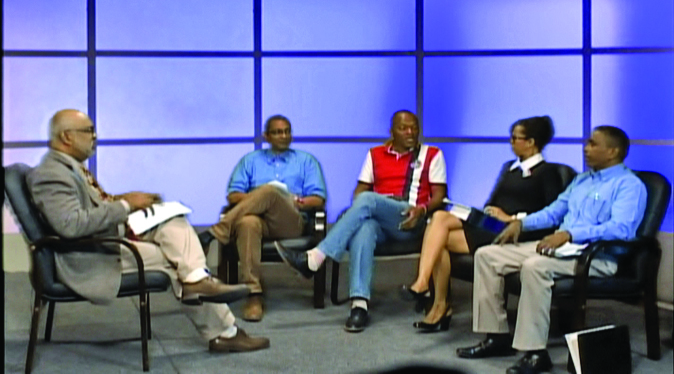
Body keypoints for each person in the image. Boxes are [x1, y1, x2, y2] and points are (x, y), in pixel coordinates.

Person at [27, 109, 270, 354]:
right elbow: (71, 225)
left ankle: (198, 279)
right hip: (88, 257)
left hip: (104, 240)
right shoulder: (52, 174)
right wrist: (126, 205)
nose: (95, 136)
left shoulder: (69, 168)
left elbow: (91, 207)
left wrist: (131, 200)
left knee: (173, 222)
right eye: (89, 130)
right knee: (175, 260)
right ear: (67, 137)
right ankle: (221, 326)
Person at [456, 126, 647, 374]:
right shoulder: (582, 180)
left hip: (596, 257)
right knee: (487, 255)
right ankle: (497, 338)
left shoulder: (629, 185)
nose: (585, 148)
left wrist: (570, 234)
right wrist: (520, 223)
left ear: (612, 151)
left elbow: (621, 229)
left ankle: (535, 352)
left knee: (535, 266)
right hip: (561, 250)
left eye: (592, 143)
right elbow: (554, 212)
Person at [275, 110, 448, 332]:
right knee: (364, 226)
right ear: (391, 131)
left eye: (414, 128)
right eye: (404, 128)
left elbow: (439, 195)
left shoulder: (432, 154)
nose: (410, 132)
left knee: (367, 200)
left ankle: (316, 257)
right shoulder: (375, 154)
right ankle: (359, 305)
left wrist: (422, 210)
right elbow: (360, 191)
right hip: (378, 217)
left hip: (411, 217)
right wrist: (364, 206)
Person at [399, 116, 565, 331]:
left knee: (438, 229)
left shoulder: (548, 172)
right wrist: (488, 211)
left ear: (531, 142)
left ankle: (432, 297)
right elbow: (493, 201)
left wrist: (512, 218)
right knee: (439, 224)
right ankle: (434, 299)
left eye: (516, 138)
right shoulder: (509, 168)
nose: (511, 142)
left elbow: (551, 215)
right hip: (491, 225)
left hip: (515, 232)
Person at [198, 115, 327, 322]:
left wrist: (292, 201)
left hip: (290, 221)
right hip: (258, 221)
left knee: (270, 191)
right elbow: (233, 195)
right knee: (248, 222)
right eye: (277, 132)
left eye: (287, 131)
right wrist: (260, 199)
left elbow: (318, 199)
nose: (283, 136)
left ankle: (216, 233)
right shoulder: (251, 161)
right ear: (266, 136)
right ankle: (254, 294)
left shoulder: (306, 161)